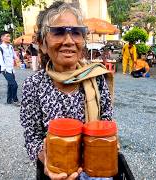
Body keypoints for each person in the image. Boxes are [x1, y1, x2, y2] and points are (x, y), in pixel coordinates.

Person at [20, 2, 114, 179]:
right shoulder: (34, 84)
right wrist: (46, 157)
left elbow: (105, 123)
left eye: (76, 32)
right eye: (59, 32)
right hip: (57, 169)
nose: (69, 41)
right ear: (42, 44)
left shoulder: (96, 78)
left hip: (94, 168)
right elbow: (31, 137)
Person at [0, 31, 21, 106]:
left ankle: (9, 100)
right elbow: (0, 60)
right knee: (14, 85)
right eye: (7, 36)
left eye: (9, 36)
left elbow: (14, 55)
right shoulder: (0, 48)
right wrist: (4, 70)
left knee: (10, 85)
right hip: (5, 70)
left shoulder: (10, 46)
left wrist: (17, 59)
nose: (9, 38)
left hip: (12, 69)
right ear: (2, 38)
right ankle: (15, 99)